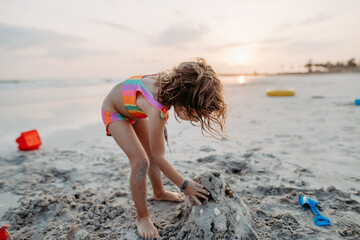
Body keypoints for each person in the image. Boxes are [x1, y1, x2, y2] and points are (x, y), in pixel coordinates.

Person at [101, 58, 227, 239]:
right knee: (141, 161)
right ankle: (143, 217)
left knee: (151, 154)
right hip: (114, 111)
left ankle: (159, 193)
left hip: (134, 109)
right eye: (195, 114)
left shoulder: (171, 85)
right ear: (184, 101)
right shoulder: (157, 109)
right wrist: (184, 185)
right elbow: (160, 157)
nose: (195, 119)